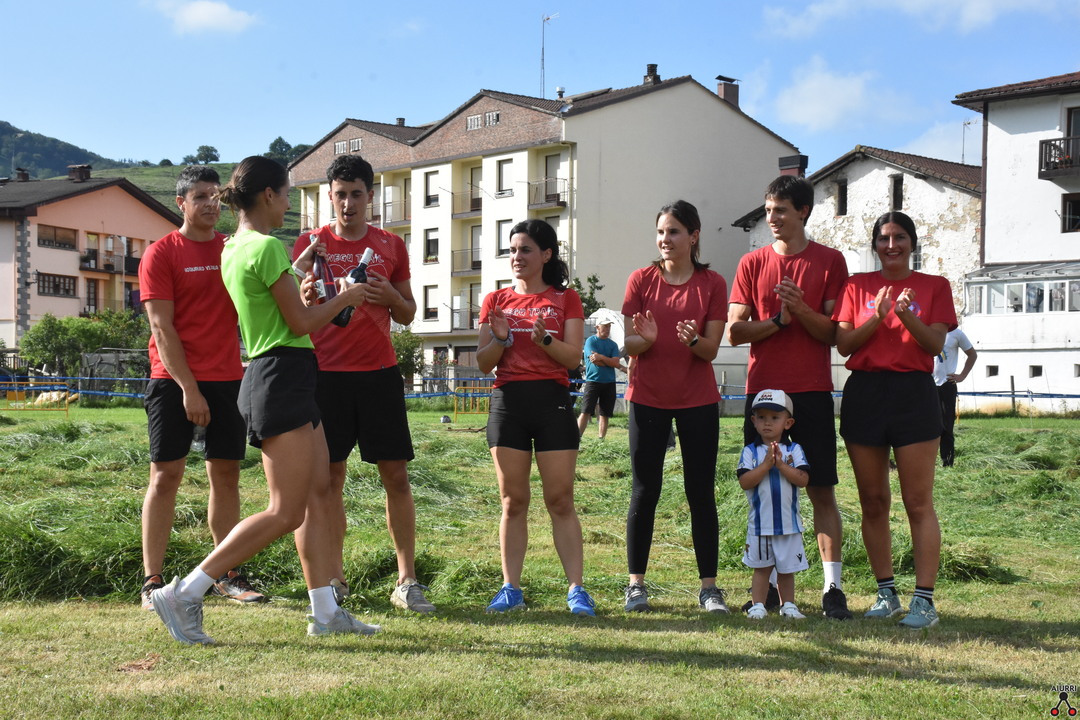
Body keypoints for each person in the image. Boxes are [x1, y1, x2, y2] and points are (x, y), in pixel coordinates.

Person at [149, 156, 373, 644]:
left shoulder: (235, 247)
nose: (288, 203)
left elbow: (281, 311)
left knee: (317, 493)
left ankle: (326, 612)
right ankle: (184, 592)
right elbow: (300, 323)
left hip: (283, 374)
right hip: (281, 376)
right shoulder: (267, 247)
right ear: (269, 195)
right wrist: (347, 297)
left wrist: (305, 291)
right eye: (287, 194)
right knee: (285, 511)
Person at [290, 155, 433, 614]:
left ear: (371, 196)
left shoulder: (391, 244)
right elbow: (294, 308)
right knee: (329, 479)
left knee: (396, 475)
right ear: (329, 197)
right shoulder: (310, 243)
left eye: (356, 194)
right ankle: (335, 579)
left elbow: (408, 313)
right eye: (340, 195)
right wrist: (305, 295)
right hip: (324, 375)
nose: (348, 203)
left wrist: (390, 296)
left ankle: (407, 580)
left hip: (379, 374)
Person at [138, 165, 265, 611]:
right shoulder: (161, 254)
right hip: (172, 381)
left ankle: (225, 575)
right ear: (182, 203)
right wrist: (189, 389)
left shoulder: (232, 249)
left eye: (216, 196)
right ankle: (152, 582)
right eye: (201, 197)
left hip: (228, 378)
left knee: (226, 475)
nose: (211, 203)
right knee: (165, 476)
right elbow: (162, 328)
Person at [727, 175, 853, 620]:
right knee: (763, 488)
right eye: (768, 210)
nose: (772, 218)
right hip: (763, 391)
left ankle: (832, 589)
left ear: (803, 211)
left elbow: (835, 335)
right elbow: (735, 331)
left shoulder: (831, 261)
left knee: (820, 489)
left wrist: (800, 310)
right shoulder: (752, 262)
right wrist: (779, 321)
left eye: (780, 209)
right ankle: (765, 592)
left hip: (812, 390)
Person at [832, 211, 957, 629]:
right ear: (875, 245)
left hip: (914, 394)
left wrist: (904, 316)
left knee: (918, 502)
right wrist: (877, 315)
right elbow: (844, 345)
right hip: (865, 393)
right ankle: (886, 594)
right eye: (884, 238)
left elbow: (935, 344)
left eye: (900, 237)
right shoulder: (856, 286)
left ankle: (924, 601)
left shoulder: (935, 286)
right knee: (873, 501)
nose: (891, 245)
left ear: (912, 243)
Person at [476, 219, 595, 616]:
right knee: (513, 501)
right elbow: (483, 363)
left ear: (546, 255)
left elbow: (573, 358)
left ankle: (576, 589)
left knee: (560, 500)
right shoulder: (495, 300)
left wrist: (545, 339)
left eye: (525, 249)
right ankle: (510, 588)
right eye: (512, 250)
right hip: (508, 403)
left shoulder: (566, 298)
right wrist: (500, 338)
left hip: (552, 402)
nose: (517, 257)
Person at [621, 200, 729, 614]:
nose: (665, 239)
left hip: (698, 400)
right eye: (661, 232)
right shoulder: (640, 280)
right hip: (647, 397)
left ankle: (709, 589)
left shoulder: (712, 284)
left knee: (700, 491)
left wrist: (693, 341)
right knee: (644, 490)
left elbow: (711, 350)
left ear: (694, 236)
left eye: (674, 231)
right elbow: (628, 344)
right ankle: (636, 586)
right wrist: (645, 340)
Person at [738, 389, 810, 620]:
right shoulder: (749, 451)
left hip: (789, 524)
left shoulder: (794, 450)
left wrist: (781, 465)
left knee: (787, 570)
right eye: (761, 417)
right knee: (761, 568)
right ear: (753, 421)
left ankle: (788, 605)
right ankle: (758, 605)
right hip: (760, 525)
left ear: (788, 423)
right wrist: (766, 466)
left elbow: (803, 479)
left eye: (774, 417)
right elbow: (745, 481)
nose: (767, 423)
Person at [933, 327, 978, 467]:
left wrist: (962, 376)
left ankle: (947, 463)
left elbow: (972, 354)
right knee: (927, 426)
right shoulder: (927, 329)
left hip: (947, 384)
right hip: (928, 384)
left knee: (946, 426)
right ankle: (926, 463)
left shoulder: (956, 333)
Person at [577, 320, 621, 439]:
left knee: (604, 413)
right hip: (593, 381)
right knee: (586, 411)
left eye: (609, 326)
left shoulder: (613, 344)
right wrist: (609, 362)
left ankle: (601, 439)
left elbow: (615, 362)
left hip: (609, 382)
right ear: (597, 327)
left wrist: (601, 357)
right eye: (605, 326)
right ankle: (576, 438)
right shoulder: (590, 341)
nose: (607, 329)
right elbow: (594, 360)